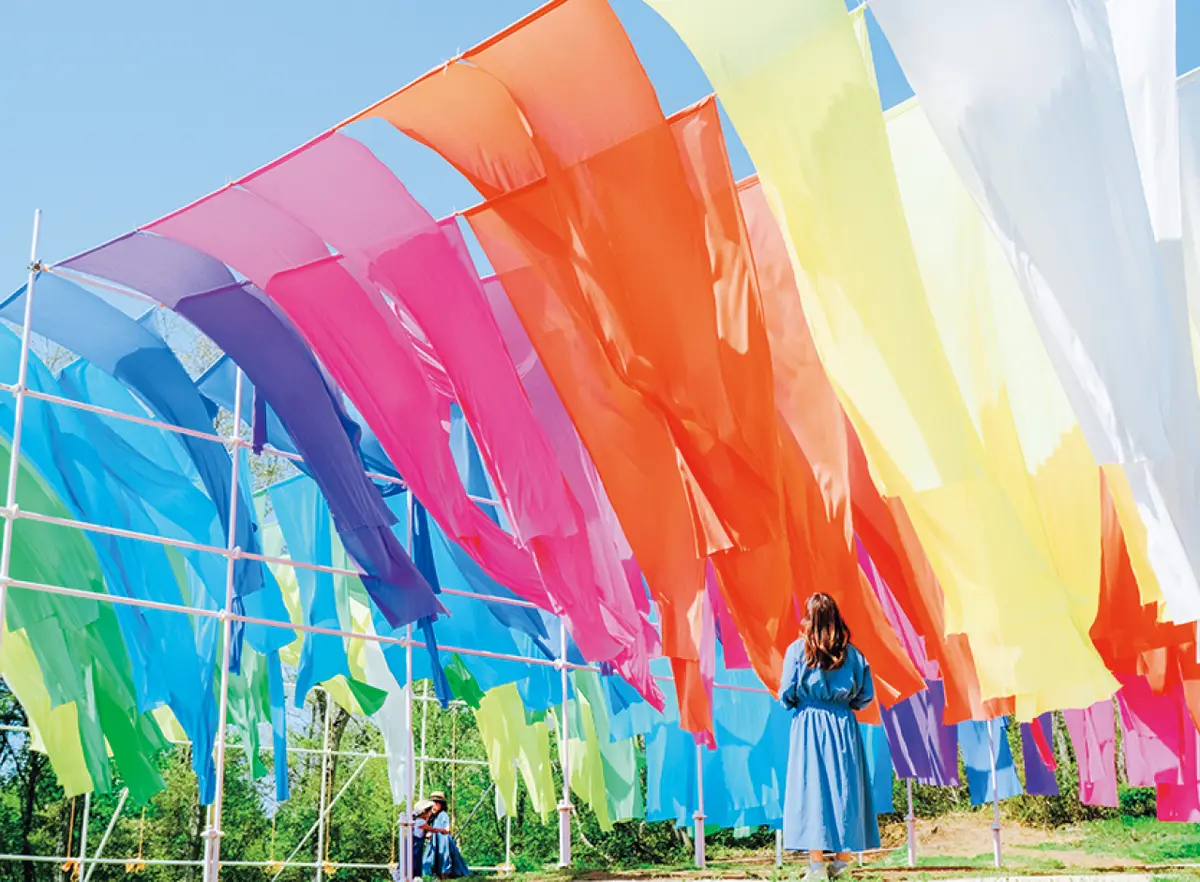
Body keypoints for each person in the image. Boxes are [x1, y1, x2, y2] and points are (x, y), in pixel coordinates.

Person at [781, 593, 879, 880]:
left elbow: (786, 693)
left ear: (809, 619)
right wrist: (842, 703)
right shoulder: (855, 655)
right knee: (845, 789)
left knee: (811, 788)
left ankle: (816, 866)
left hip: (809, 724)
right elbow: (865, 697)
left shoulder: (796, 651)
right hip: (842, 724)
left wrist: (803, 703)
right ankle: (842, 862)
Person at [421, 790, 470, 878]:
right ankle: (437, 875)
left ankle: (444, 875)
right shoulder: (432, 817)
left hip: (443, 841)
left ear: (441, 805)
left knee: (444, 859)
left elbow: (446, 827)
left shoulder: (443, 815)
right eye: (432, 804)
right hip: (435, 842)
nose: (434, 806)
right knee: (430, 860)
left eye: (436, 803)